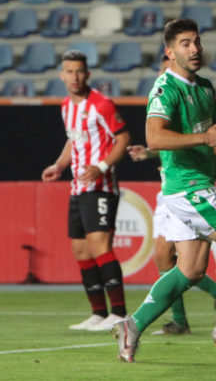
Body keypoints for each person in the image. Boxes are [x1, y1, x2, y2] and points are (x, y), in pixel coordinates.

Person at [113, 18, 216, 362]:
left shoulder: (204, 87)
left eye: (197, 42)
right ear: (170, 51)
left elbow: (214, 135)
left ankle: (133, 325)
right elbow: (155, 137)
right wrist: (204, 138)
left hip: (203, 183)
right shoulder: (165, 88)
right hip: (187, 189)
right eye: (185, 44)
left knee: (190, 270)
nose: (194, 49)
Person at [42, 50, 131, 332]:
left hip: (101, 187)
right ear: (62, 75)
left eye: (79, 71)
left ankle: (119, 313)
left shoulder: (102, 104)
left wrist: (102, 166)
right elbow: (73, 141)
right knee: (80, 250)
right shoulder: (66, 106)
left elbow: (123, 137)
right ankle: (98, 312)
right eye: (69, 71)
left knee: (99, 247)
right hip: (77, 187)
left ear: (88, 74)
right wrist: (58, 165)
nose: (75, 76)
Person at [127, 144, 216, 335]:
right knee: (163, 258)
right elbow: (170, 143)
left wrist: (183, 165)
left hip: (187, 189)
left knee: (184, 262)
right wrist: (150, 152)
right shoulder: (171, 120)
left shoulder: (192, 115)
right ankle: (182, 319)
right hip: (169, 190)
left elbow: (208, 141)